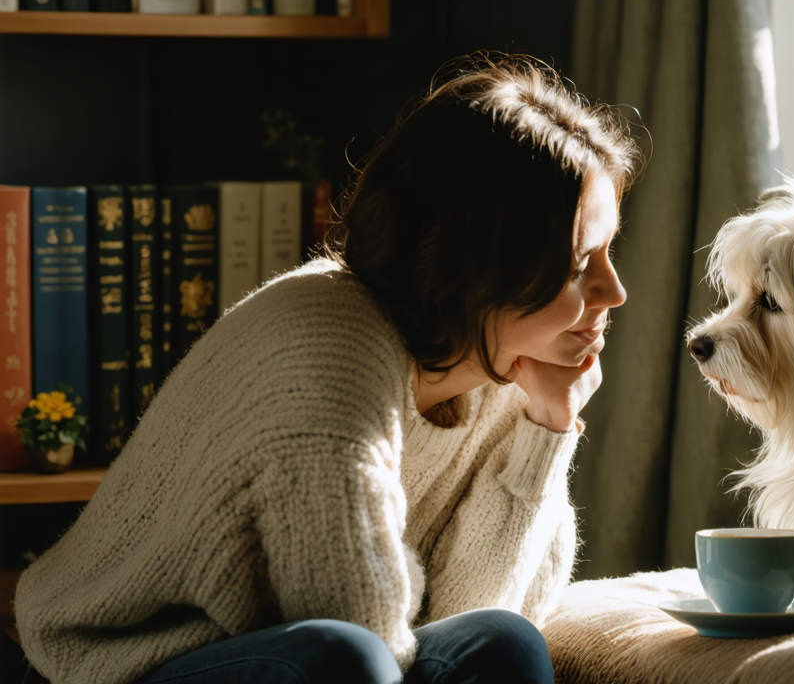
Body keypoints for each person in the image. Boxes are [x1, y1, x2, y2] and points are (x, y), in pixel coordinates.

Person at [15, 53, 638, 684]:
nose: (612, 292)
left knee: (501, 641)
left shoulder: (506, 365)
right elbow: (359, 624)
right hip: (127, 662)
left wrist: (547, 428)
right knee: (348, 657)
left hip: (329, 650)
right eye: (577, 263)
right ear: (474, 266)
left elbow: (480, 615)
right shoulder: (328, 350)